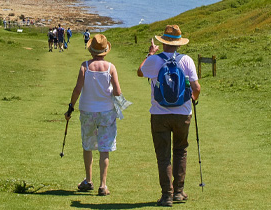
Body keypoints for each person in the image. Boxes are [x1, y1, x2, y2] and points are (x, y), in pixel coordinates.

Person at [136, 25, 200, 207]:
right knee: (181, 151)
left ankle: (167, 195)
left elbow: (140, 72)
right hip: (182, 113)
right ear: (179, 43)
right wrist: (192, 101)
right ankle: (179, 192)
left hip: (159, 114)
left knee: (163, 155)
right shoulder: (187, 60)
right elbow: (196, 88)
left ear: (163, 43)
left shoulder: (154, 60)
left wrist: (149, 54)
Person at [65, 34, 125, 196]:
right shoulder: (111, 67)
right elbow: (118, 92)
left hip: (87, 110)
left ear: (91, 50)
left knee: (88, 145)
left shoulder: (84, 66)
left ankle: (88, 180)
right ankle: (103, 185)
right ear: (105, 51)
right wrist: (118, 103)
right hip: (106, 111)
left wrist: (70, 107)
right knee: (104, 148)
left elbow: (77, 89)